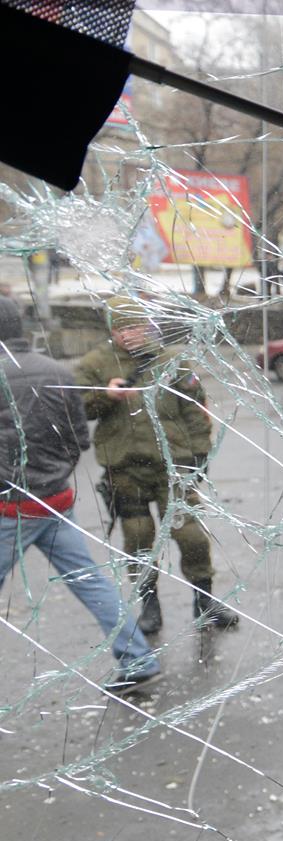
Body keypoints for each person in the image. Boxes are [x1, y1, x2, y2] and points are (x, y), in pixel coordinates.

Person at [0, 296, 158, 690]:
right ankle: (137, 659)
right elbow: (77, 442)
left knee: (90, 580)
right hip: (55, 499)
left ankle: (138, 658)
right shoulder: (59, 371)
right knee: (91, 581)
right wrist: (52, 474)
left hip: (10, 507)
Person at [72, 296, 238, 633]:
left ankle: (204, 602)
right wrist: (106, 395)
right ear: (111, 331)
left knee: (189, 533)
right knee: (138, 536)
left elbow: (194, 409)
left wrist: (199, 456)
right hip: (124, 466)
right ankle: (150, 605)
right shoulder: (95, 363)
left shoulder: (171, 359)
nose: (129, 334)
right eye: (121, 328)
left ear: (147, 326)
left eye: (135, 326)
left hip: (172, 464)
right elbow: (77, 408)